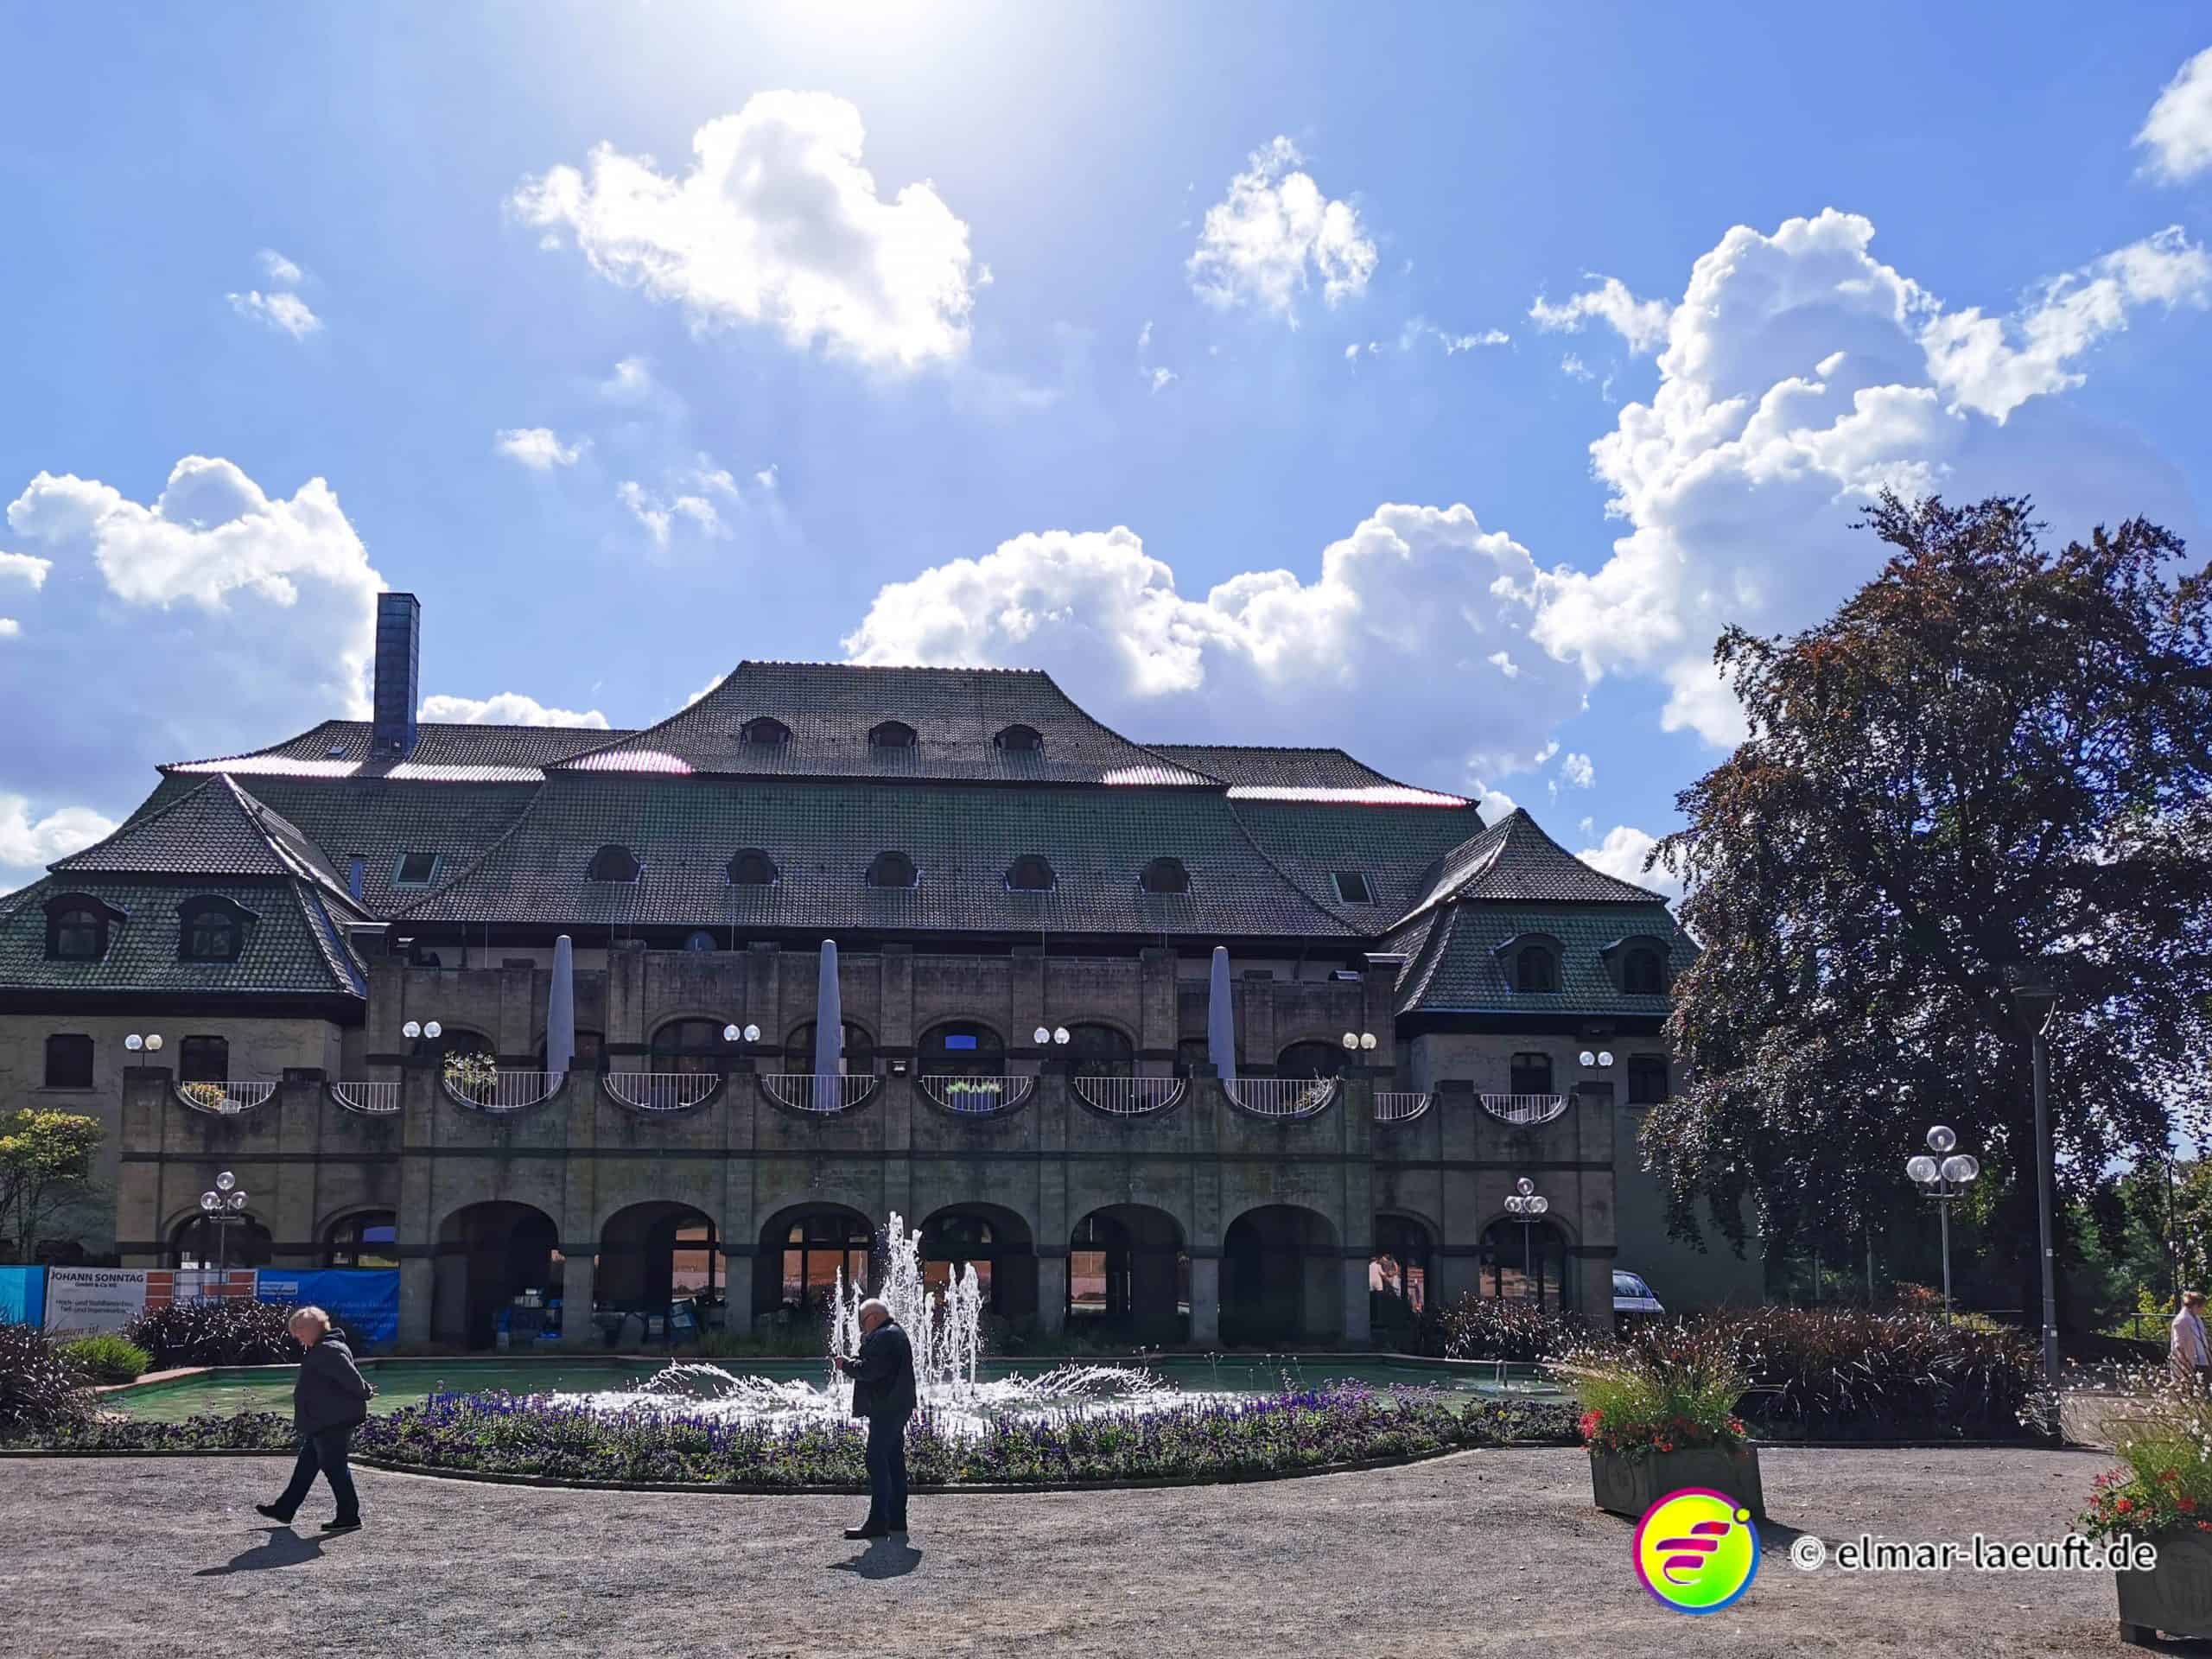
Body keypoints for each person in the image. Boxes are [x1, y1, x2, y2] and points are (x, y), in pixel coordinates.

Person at [256, 1306, 376, 1534]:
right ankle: (285, 1509)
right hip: (324, 1419)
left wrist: (366, 1391)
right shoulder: (326, 1347)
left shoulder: (328, 1350)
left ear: (312, 1328)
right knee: (307, 1464)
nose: (298, 1338)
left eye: (300, 1333)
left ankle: (349, 1516)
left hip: (332, 1420)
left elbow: (351, 1377)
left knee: (335, 1468)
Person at [832, 1296, 916, 1540]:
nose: (862, 1326)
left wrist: (846, 1365)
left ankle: (878, 1521)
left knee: (876, 1460)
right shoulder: (895, 1333)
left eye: (863, 1321)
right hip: (897, 1405)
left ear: (874, 1317)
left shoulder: (884, 1336)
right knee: (893, 1461)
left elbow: (870, 1371)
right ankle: (896, 1520)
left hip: (887, 1407)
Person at [2171, 1290, 2209, 1391]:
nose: (2204, 1310)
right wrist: (2185, 1363)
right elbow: (2179, 1344)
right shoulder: (2182, 1320)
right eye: (2203, 1307)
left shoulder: (2197, 1319)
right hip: (2190, 1362)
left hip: (2202, 1360)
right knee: (2192, 1390)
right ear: (2196, 1306)